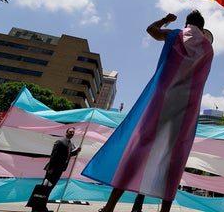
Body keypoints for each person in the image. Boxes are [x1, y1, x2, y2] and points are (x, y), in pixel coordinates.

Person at [82, 11, 214, 212]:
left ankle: (110, 206)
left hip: (162, 98)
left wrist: (166, 20)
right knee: (175, 154)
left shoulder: (176, 35)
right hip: (186, 106)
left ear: (187, 24)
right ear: (202, 28)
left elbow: (151, 30)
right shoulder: (208, 49)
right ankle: (165, 211)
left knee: (138, 147)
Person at [30, 126, 81, 212]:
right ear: (66, 132)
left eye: (73, 132)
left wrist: (76, 152)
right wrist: (51, 168)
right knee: (44, 188)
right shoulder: (60, 141)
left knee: (49, 189)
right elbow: (53, 155)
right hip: (53, 170)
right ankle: (36, 207)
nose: (72, 133)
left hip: (59, 170)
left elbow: (67, 155)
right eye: (70, 132)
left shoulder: (69, 144)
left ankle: (42, 207)